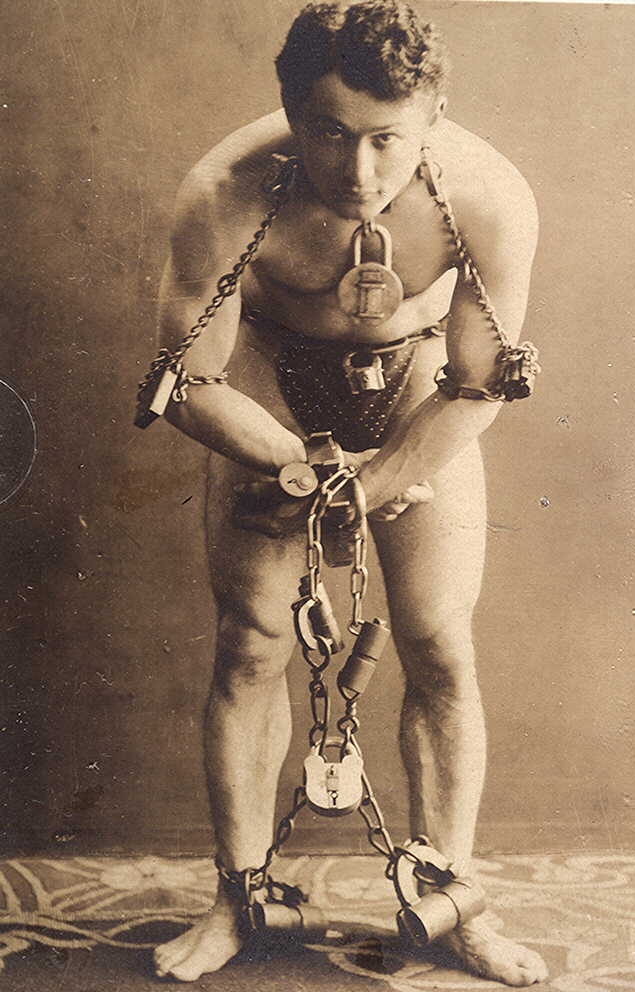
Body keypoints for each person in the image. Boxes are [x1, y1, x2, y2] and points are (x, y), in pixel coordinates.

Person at [150, 1, 547, 985]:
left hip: (418, 389)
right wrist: (300, 465)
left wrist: (372, 483)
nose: (359, 171)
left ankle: (449, 896)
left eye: (385, 140)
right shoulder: (225, 191)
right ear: (290, 111)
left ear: (433, 116)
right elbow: (186, 379)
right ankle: (238, 895)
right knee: (250, 640)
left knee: (439, 642)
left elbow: (479, 382)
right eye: (328, 132)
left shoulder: (489, 195)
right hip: (266, 393)